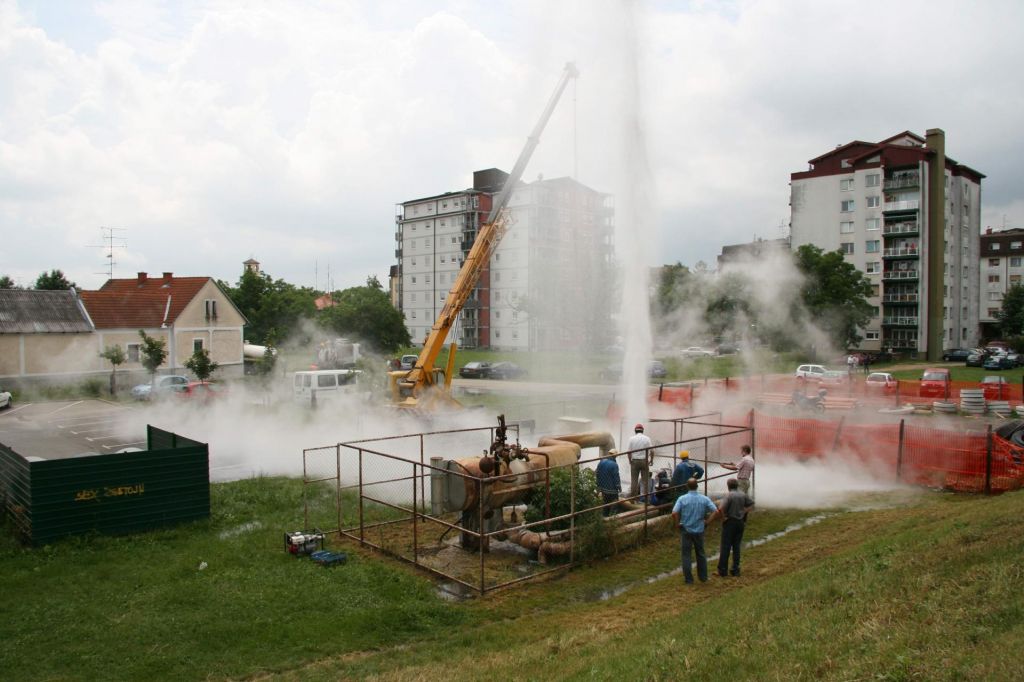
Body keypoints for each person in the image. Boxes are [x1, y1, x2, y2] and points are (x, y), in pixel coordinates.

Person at [671, 478, 720, 584]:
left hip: (686, 529)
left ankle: (688, 579)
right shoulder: (704, 499)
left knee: (686, 555)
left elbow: (674, 513)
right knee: (701, 553)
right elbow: (716, 511)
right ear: (697, 486)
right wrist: (707, 522)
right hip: (699, 530)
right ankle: (703, 577)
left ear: (687, 487)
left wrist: (677, 524)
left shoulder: (682, 498)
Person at [717, 478, 755, 577]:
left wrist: (723, 518)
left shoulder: (729, 495)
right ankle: (735, 569)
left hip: (730, 522)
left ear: (728, 486)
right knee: (736, 546)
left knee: (725, 547)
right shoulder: (743, 494)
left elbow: (720, 508)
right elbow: (752, 504)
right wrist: (744, 511)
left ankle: (723, 570)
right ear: (737, 485)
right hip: (740, 522)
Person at [627, 423, 653, 498]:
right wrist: (651, 460)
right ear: (642, 431)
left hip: (634, 461)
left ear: (635, 431)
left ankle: (633, 499)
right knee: (645, 481)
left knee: (634, 481)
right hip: (644, 461)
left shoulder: (631, 439)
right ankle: (646, 500)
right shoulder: (647, 438)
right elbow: (652, 451)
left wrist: (630, 461)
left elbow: (629, 452)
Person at [595, 449, 622, 517]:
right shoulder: (614, 465)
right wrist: (619, 487)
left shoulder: (601, 462)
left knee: (605, 506)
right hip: (612, 490)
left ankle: (605, 519)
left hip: (603, 489)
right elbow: (616, 477)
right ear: (615, 456)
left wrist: (598, 486)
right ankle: (613, 520)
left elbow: (597, 473)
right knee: (614, 506)